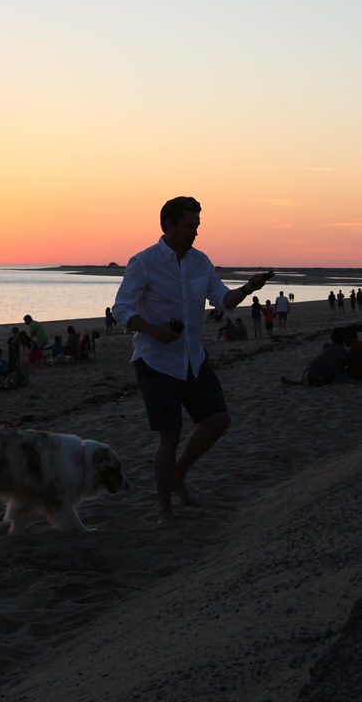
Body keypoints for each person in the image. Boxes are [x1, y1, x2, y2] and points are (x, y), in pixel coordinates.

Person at [112, 196, 271, 527]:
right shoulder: (143, 262)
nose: (194, 232)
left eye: (197, 226)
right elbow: (122, 310)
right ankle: (164, 511)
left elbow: (222, 300)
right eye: (189, 226)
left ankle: (178, 476)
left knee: (218, 420)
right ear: (167, 225)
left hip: (193, 359)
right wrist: (153, 330)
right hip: (156, 361)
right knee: (169, 436)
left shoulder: (201, 261)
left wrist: (246, 288)